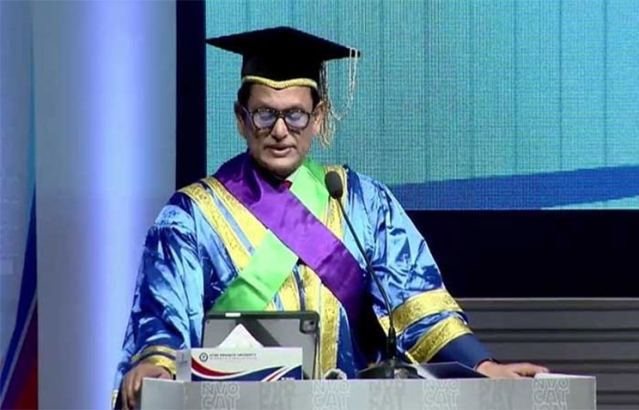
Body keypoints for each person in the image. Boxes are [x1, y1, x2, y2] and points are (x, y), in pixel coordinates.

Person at [112, 26, 548, 409]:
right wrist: (156, 363)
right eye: (264, 114)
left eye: (295, 115)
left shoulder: (361, 203)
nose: (280, 130)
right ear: (241, 120)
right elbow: (162, 313)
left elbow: (419, 306)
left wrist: (482, 365)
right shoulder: (192, 217)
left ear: (318, 118)